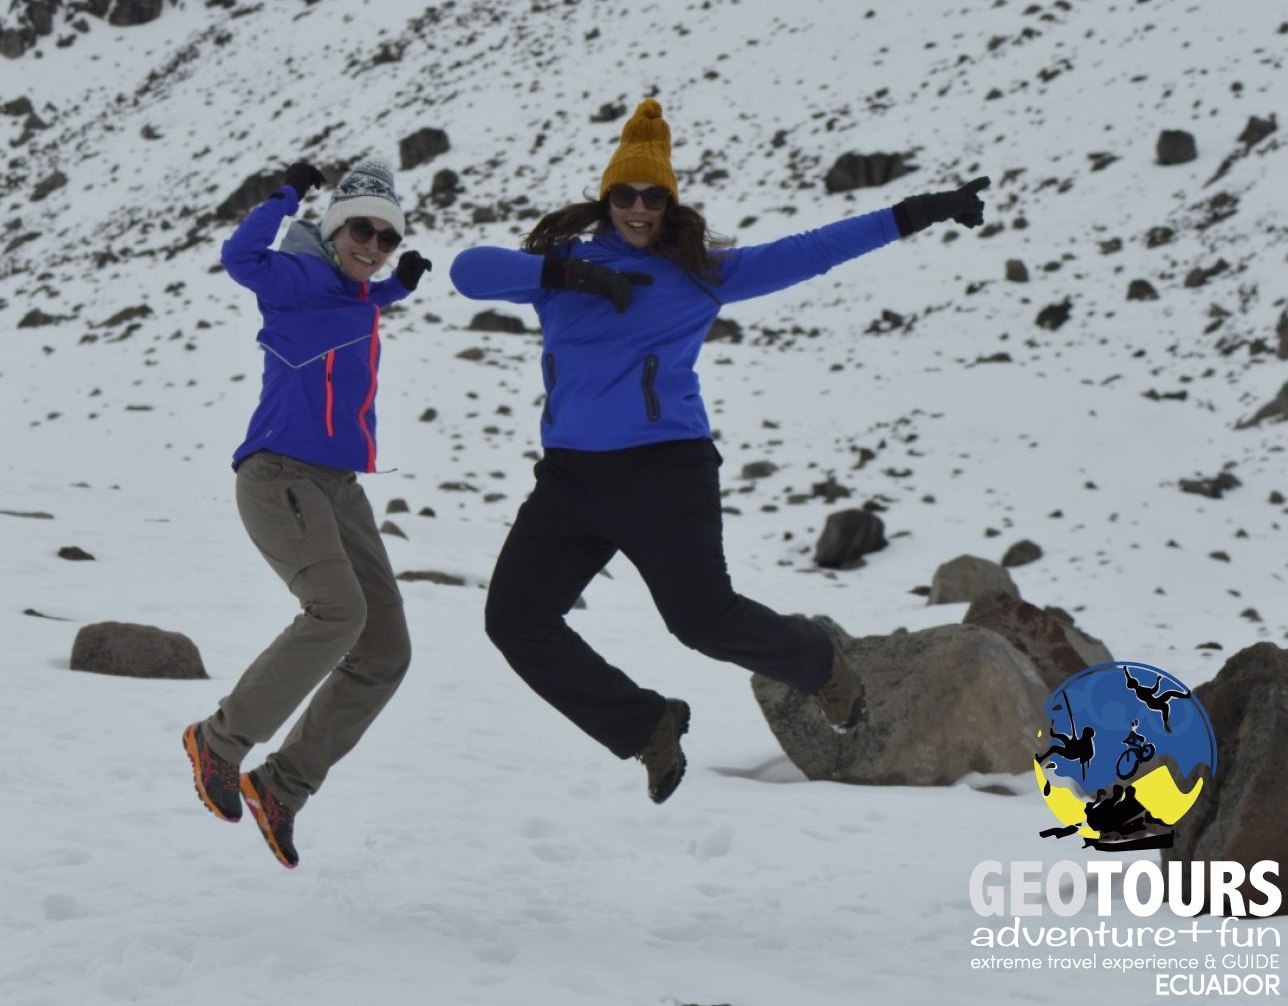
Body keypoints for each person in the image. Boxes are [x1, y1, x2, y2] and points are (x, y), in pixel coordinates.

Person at [449, 98, 990, 804]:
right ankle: (646, 723)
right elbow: (467, 271)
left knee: (701, 619)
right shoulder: (562, 268)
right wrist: (570, 275)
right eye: (625, 194)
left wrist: (917, 210)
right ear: (606, 198)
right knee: (514, 621)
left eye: (652, 196)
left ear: (669, 203)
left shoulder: (701, 273)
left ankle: (820, 662)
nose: (638, 208)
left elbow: (815, 249)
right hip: (570, 481)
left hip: (664, 470)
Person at [182, 158, 432, 868]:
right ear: (333, 227)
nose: (374, 245)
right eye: (362, 229)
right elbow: (241, 257)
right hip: (279, 473)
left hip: (338, 487)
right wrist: (286, 194)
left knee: (386, 650)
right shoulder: (296, 278)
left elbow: (360, 302)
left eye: (387, 237)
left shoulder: (358, 294)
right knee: (335, 611)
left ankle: (284, 784)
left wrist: (399, 286)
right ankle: (220, 740)